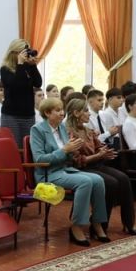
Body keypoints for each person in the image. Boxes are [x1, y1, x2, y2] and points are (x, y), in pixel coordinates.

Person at [29, 98, 108, 246]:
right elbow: (39, 159)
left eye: (62, 109)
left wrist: (74, 150)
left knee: (98, 180)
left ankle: (97, 222)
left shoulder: (62, 128)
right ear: (47, 113)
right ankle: (76, 226)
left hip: (64, 169)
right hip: (48, 174)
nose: (62, 113)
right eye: (58, 110)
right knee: (85, 182)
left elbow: (69, 156)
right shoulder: (38, 129)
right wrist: (65, 150)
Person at [65, 98, 136, 235]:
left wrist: (105, 152)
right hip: (82, 168)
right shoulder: (69, 132)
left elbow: (99, 146)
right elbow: (76, 161)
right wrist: (99, 156)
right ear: (76, 113)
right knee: (111, 183)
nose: (89, 114)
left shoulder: (87, 130)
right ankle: (99, 224)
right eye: (86, 111)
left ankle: (129, 222)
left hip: (95, 164)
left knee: (124, 179)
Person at [0, 39, 43, 142]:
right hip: (11, 115)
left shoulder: (28, 67)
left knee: (28, 146)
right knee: (13, 147)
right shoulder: (5, 69)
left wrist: (33, 66)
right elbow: (16, 85)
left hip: (28, 114)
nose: (25, 55)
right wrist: (20, 64)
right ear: (14, 53)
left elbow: (38, 83)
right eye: (22, 52)